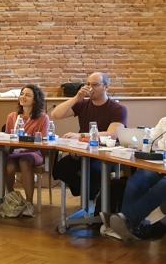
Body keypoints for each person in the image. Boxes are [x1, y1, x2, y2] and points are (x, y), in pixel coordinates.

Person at [50, 72, 127, 200]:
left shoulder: (118, 109)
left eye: (95, 85)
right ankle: (87, 196)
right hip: (82, 152)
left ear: (106, 87)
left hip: (105, 155)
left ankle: (92, 203)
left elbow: (112, 134)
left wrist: (80, 136)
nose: (90, 88)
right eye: (87, 84)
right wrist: (76, 98)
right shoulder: (83, 104)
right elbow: (56, 114)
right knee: (60, 168)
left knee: (93, 172)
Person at [108, 117, 166, 241]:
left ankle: (127, 221)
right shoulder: (164, 121)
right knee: (139, 179)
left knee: (163, 186)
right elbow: (148, 138)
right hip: (161, 164)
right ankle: (130, 227)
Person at [1, 84, 50, 217]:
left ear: (35, 99)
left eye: (27, 95)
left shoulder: (43, 117)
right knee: (9, 166)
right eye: (22, 94)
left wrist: (26, 141)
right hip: (16, 152)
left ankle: (29, 203)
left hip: (34, 153)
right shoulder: (12, 116)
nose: (23, 97)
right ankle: (11, 199)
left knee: (25, 161)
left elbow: (43, 141)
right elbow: (7, 138)